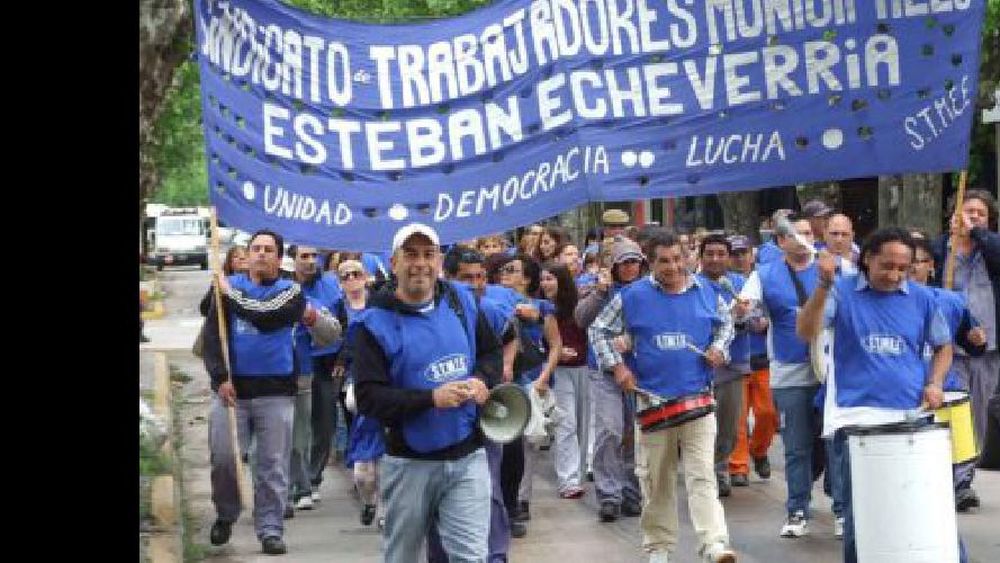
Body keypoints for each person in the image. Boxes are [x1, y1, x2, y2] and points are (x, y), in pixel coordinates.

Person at [796, 228, 957, 563]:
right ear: (867, 258)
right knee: (862, 513)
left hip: (911, 418)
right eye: (887, 266)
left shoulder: (923, 299)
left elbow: (944, 346)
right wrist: (823, 285)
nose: (894, 275)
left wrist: (935, 383)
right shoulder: (840, 291)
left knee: (923, 507)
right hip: (856, 419)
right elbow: (806, 331)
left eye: (903, 268)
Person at [353, 223, 504, 563]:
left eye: (428, 254)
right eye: (410, 255)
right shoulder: (373, 323)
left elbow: (491, 353)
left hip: (468, 455)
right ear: (394, 263)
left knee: (471, 557)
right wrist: (431, 399)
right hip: (409, 463)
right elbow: (369, 398)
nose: (420, 263)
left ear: (439, 262)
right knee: (402, 556)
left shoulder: (462, 301)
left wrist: (482, 379)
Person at [590, 231, 738, 563]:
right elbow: (598, 330)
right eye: (663, 261)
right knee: (656, 481)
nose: (672, 267)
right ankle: (658, 547)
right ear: (650, 263)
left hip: (698, 401)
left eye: (677, 259)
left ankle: (714, 544)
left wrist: (718, 349)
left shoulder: (706, 292)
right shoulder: (632, 296)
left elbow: (726, 324)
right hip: (652, 403)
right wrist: (618, 367)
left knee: (702, 475)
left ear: (686, 257)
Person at [201, 229, 340, 555]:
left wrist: (229, 294)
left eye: (268, 249)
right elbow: (211, 333)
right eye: (256, 248)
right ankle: (226, 513)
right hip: (232, 392)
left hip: (275, 393)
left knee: (272, 465)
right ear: (247, 255)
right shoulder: (229, 286)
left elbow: (266, 317)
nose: (261, 253)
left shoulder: (290, 292)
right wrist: (220, 378)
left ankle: (270, 529)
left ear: (279, 258)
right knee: (223, 458)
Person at [735, 215, 843, 538]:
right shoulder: (764, 274)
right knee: (796, 446)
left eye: (809, 233)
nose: (804, 240)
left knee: (835, 444)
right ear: (781, 241)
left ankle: (842, 510)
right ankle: (797, 509)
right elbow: (745, 309)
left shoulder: (834, 268)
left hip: (832, 370)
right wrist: (742, 312)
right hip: (789, 368)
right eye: (796, 234)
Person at [910, 237, 988, 510]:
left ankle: (961, 486)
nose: (913, 268)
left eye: (919, 261)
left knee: (957, 443)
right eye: (908, 261)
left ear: (931, 265)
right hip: (906, 388)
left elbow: (970, 340)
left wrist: (977, 340)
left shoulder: (951, 301)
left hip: (945, 385)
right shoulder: (883, 300)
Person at [575, 236, 645, 522]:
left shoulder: (648, 290)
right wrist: (599, 293)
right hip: (603, 370)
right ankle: (608, 494)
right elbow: (581, 319)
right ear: (614, 265)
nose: (629, 267)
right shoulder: (599, 289)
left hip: (640, 371)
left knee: (634, 434)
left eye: (634, 262)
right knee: (610, 429)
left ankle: (632, 491)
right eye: (624, 262)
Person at [932, 189, 1000, 485]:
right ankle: (953, 479)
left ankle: (966, 475)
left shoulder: (991, 249)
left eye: (980, 214)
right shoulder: (940, 250)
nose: (973, 217)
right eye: (968, 211)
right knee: (954, 408)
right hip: (949, 348)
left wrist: (977, 233)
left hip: (988, 348)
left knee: (978, 415)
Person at [497, 253, 562, 530]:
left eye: (512, 270)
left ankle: (520, 500)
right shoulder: (494, 304)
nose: (505, 274)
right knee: (506, 444)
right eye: (503, 270)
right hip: (504, 381)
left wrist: (544, 378)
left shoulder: (542, 308)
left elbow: (555, 345)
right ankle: (505, 501)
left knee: (527, 444)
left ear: (526, 278)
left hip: (531, 380)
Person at [696, 234, 751, 497]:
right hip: (698, 365)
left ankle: (720, 463)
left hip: (733, 365)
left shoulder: (740, 284)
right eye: (710, 254)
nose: (715, 259)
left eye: (721, 254)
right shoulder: (691, 285)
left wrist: (743, 316)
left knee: (728, 426)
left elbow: (758, 322)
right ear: (701, 257)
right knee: (701, 425)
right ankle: (707, 472)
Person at [727, 235, 778, 485]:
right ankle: (738, 466)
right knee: (738, 417)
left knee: (768, 414)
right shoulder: (725, 284)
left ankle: (758, 450)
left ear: (751, 255)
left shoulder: (766, 280)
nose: (739, 258)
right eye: (734, 254)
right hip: (735, 359)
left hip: (763, 358)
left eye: (743, 253)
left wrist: (769, 322)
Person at [541, 261, 590, 500]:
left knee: (583, 423)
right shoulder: (539, 308)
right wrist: (554, 353)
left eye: (550, 278)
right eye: (542, 279)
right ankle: (568, 480)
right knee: (566, 423)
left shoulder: (579, 306)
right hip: (557, 372)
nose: (545, 283)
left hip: (584, 369)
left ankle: (579, 473)